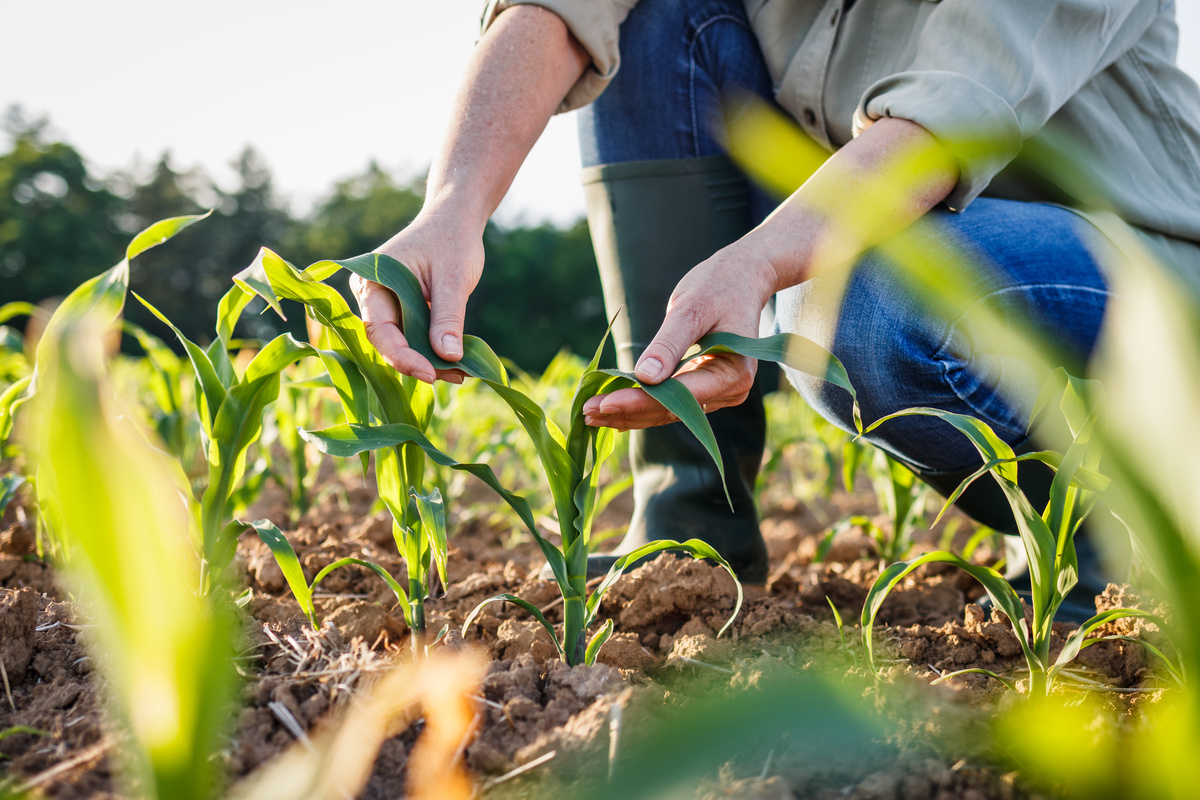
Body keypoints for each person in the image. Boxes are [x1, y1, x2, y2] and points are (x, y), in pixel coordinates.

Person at [352, 0, 1200, 613]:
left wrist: (760, 264)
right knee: (661, 17)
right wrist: (453, 206)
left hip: (1136, 268)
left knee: (854, 302)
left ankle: (1131, 534)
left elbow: (948, 114)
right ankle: (691, 531)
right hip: (895, 228)